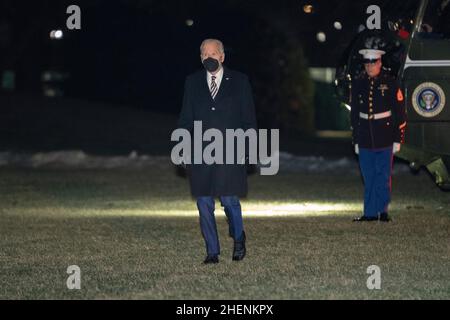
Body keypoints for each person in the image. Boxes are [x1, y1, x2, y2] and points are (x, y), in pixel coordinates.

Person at [177, 39, 257, 264]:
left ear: (222, 56)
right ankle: (212, 251)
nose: (208, 57)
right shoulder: (192, 82)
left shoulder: (240, 81)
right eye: (204, 54)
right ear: (200, 57)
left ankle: (239, 236)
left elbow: (248, 118)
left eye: (213, 53)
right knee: (204, 202)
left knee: (229, 199)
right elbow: (185, 117)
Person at [350, 48, 407, 222]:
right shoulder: (359, 83)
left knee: (382, 176)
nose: (369, 66)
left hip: (385, 135)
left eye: (373, 63)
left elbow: (399, 112)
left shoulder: (390, 83)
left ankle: (382, 212)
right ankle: (369, 214)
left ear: (380, 63)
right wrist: (356, 139)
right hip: (365, 135)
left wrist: (398, 138)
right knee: (368, 176)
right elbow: (354, 114)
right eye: (367, 63)